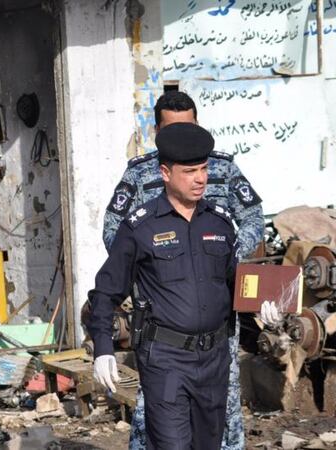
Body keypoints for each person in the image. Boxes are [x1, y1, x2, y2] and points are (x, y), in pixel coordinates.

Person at [102, 91, 263, 450]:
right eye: (173, 129)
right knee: (158, 411)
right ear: (157, 131)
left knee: (223, 409)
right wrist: (148, 273)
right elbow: (113, 231)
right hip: (164, 321)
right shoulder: (139, 173)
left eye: (189, 126)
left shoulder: (221, 168)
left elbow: (253, 218)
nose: (183, 136)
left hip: (216, 319)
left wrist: (231, 259)